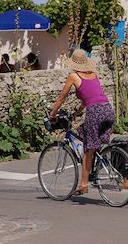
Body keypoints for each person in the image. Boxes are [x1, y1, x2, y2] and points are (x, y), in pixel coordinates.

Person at [50, 49, 115, 195]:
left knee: (88, 147)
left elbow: (61, 97)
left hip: (95, 112)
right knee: (85, 135)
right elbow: (91, 97)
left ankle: (83, 185)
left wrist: (52, 113)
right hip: (108, 110)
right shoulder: (94, 75)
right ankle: (95, 168)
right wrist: (77, 113)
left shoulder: (73, 76)